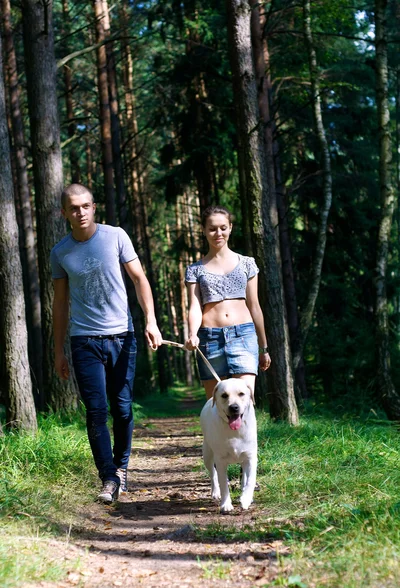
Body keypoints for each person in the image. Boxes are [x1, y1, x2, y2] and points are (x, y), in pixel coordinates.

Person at [51, 183, 162, 503]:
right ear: (64, 214)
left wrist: (151, 321)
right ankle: (109, 477)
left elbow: (139, 279)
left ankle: (122, 467)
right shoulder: (60, 252)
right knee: (96, 411)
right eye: (73, 208)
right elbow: (60, 304)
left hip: (122, 337)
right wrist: (59, 351)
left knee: (123, 408)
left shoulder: (116, 236)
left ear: (94, 207)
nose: (80, 212)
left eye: (85, 206)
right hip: (84, 340)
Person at [184, 205, 271, 400]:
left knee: (245, 403)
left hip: (243, 336)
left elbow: (254, 306)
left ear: (230, 227)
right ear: (204, 230)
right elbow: (195, 307)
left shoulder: (247, 263)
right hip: (209, 339)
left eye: (223, 227)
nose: (218, 233)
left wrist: (263, 348)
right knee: (215, 406)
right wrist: (192, 334)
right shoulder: (195, 270)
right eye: (212, 228)